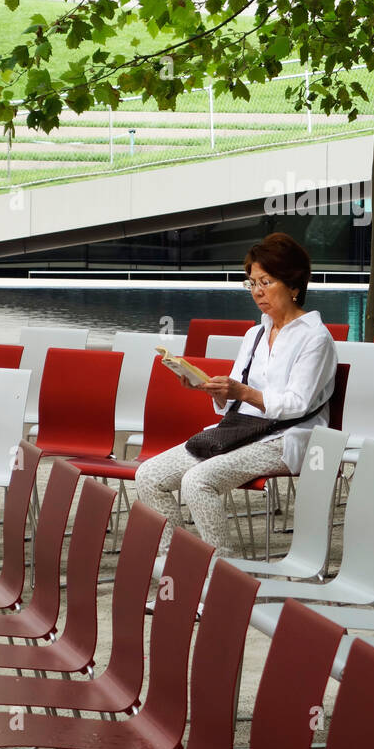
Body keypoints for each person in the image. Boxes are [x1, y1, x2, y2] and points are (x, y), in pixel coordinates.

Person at [136, 232, 337, 563]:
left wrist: (242, 392)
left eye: (266, 281)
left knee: (197, 482)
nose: (257, 291)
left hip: (286, 439)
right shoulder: (255, 333)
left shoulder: (316, 339)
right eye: (252, 283)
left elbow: (298, 403)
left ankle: (222, 577)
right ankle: (174, 567)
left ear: (293, 283)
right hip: (242, 430)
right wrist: (211, 389)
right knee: (149, 477)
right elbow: (235, 399)